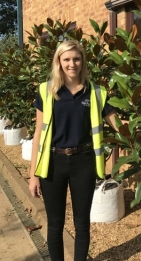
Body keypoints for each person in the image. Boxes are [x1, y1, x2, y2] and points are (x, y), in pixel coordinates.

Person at [29, 40, 117, 261]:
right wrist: (33, 175)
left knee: (82, 224)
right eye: (66, 59)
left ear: (83, 61)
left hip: (83, 162)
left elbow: (120, 125)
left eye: (76, 58)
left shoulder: (96, 92)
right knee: (55, 224)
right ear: (58, 61)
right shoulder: (46, 90)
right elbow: (38, 135)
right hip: (53, 163)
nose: (72, 64)